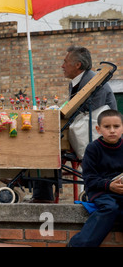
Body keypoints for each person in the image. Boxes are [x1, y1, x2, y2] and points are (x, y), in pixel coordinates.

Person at [33, 46, 118, 202]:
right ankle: (42, 192)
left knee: (45, 139)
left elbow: (89, 111)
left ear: (77, 65)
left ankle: (43, 193)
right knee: (44, 138)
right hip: (84, 126)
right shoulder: (78, 82)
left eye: (65, 62)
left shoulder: (93, 81)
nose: (62, 66)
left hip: (94, 130)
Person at [68, 109, 123, 247]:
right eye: (107, 127)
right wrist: (109, 185)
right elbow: (89, 178)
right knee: (111, 208)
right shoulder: (93, 149)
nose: (112, 130)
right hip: (101, 191)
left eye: (116, 126)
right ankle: (78, 244)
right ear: (98, 129)